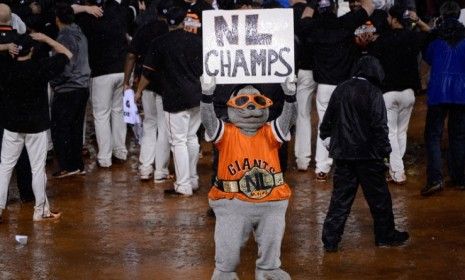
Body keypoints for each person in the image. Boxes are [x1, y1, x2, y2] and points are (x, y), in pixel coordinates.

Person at [200, 75, 296, 280]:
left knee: (271, 245)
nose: (252, 107)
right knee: (228, 249)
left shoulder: (270, 131)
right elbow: (208, 122)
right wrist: (206, 96)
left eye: (258, 101)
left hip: (271, 203)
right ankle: (225, 272)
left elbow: (288, 121)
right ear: (231, 107)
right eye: (243, 102)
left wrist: (290, 97)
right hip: (233, 203)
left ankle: (268, 269)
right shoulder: (226, 132)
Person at [320, 56, 409, 252]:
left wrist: (330, 141)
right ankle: (385, 235)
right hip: (369, 157)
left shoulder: (341, 89)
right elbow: (379, 126)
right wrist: (385, 154)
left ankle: (330, 240)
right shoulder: (374, 92)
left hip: (343, 156)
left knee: (340, 200)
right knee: (379, 200)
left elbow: (326, 123)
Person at [297, 0, 374, 181]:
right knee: (348, 125)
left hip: (324, 87)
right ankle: (347, 167)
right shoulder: (346, 22)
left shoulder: (313, 27)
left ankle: (322, 168)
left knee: (325, 127)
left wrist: (312, 2)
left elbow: (304, 18)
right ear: (334, 8)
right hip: (345, 86)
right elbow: (370, 6)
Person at [0, 32, 72, 222]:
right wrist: (47, 39)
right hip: (36, 126)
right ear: (32, 50)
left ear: (15, 51)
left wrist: (6, 48)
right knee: (37, 169)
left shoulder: (6, 67)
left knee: (5, 168)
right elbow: (68, 54)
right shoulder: (40, 67)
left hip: (12, 126)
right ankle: (40, 211)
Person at [137, 6, 202, 196]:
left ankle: (183, 185)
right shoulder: (196, 41)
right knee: (191, 138)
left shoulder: (160, 43)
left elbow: (147, 73)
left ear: (166, 22)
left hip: (175, 99)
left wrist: (139, 91)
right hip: (196, 96)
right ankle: (192, 179)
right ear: (184, 21)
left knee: (179, 142)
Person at [368, 5, 430, 184]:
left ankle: (397, 171)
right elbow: (430, 32)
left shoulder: (382, 40)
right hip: (409, 93)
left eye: (389, 17)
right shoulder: (413, 37)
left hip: (389, 93)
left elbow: (369, 55)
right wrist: (417, 20)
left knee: (391, 133)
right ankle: (397, 168)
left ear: (394, 19)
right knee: (401, 132)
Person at [76, 0, 130, 168]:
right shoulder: (120, 12)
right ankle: (120, 151)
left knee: (101, 115)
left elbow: (65, 10)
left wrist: (85, 8)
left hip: (101, 73)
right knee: (118, 112)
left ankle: (105, 158)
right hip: (122, 70)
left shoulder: (86, 18)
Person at [421, 1, 465, 196]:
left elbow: (428, 57)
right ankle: (460, 177)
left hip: (438, 91)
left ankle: (436, 179)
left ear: (442, 15)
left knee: (433, 136)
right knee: (458, 136)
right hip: (461, 92)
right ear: (457, 15)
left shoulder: (434, 35)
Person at [123, 2, 170, 182]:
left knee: (150, 125)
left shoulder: (144, 29)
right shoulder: (171, 30)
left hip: (147, 83)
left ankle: (145, 167)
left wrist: (126, 81)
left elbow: (131, 55)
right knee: (163, 127)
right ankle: (160, 170)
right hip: (167, 86)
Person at [50, 2, 90, 178]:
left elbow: (66, 66)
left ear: (57, 19)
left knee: (61, 129)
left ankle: (68, 166)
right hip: (81, 87)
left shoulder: (64, 37)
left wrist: (54, 82)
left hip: (68, 89)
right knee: (74, 128)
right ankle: (77, 165)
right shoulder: (79, 32)